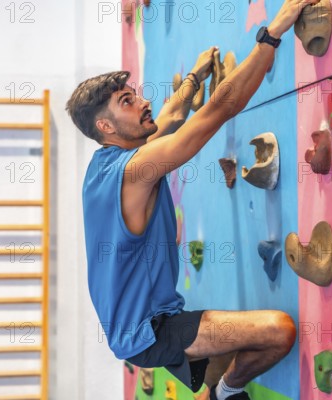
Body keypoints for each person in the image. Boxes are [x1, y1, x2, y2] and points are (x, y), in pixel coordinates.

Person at [67, 1, 317, 398]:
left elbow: (168, 118)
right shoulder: (134, 169)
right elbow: (216, 112)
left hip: (138, 326)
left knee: (221, 352)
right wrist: (272, 34)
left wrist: (194, 78)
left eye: (133, 94)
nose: (141, 101)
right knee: (278, 332)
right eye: (127, 102)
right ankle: (225, 394)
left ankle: (211, 384)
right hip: (150, 332)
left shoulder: (105, 163)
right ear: (105, 126)